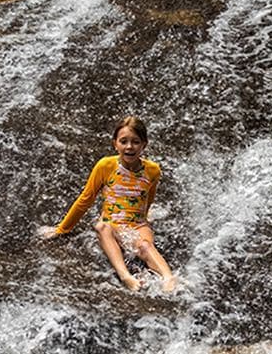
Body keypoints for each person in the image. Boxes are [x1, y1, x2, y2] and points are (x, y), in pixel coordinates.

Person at [40, 115, 178, 293]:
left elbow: (149, 195)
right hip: (112, 225)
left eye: (135, 142)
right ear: (115, 144)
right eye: (124, 141)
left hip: (137, 224)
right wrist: (62, 229)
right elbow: (86, 199)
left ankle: (169, 277)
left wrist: (146, 214)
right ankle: (126, 276)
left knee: (144, 246)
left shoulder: (153, 170)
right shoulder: (105, 166)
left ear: (144, 144)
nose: (129, 146)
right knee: (101, 226)